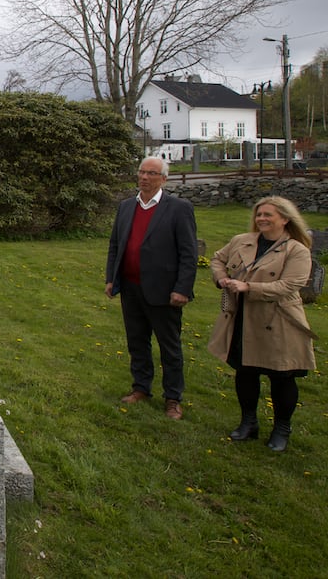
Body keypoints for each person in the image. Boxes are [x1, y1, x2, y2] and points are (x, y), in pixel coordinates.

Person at [209, 196, 317, 452]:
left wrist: (249, 287)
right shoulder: (242, 241)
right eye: (259, 215)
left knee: (282, 376)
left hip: (279, 320)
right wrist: (221, 278)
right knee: (245, 371)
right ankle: (248, 422)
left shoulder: (296, 250)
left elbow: (291, 284)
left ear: (285, 218)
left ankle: (281, 428)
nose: (262, 219)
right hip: (243, 317)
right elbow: (217, 259)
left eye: (268, 215)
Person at [105, 157, 198, 420]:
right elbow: (116, 245)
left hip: (164, 291)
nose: (145, 177)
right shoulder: (126, 207)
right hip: (131, 288)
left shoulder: (178, 209)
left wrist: (182, 288)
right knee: (137, 342)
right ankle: (141, 388)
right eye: (142, 172)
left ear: (164, 179)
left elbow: (188, 253)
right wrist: (111, 278)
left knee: (169, 347)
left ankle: (173, 398)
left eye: (152, 173)